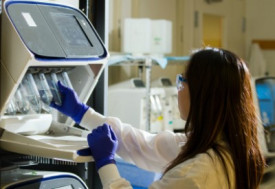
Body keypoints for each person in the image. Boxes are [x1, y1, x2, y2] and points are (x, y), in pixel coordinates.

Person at [51, 48, 265, 189]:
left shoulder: (198, 173)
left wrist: (106, 163)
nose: (178, 88)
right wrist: (83, 114)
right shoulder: (226, 147)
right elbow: (144, 145)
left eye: (182, 81)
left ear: (202, 94)